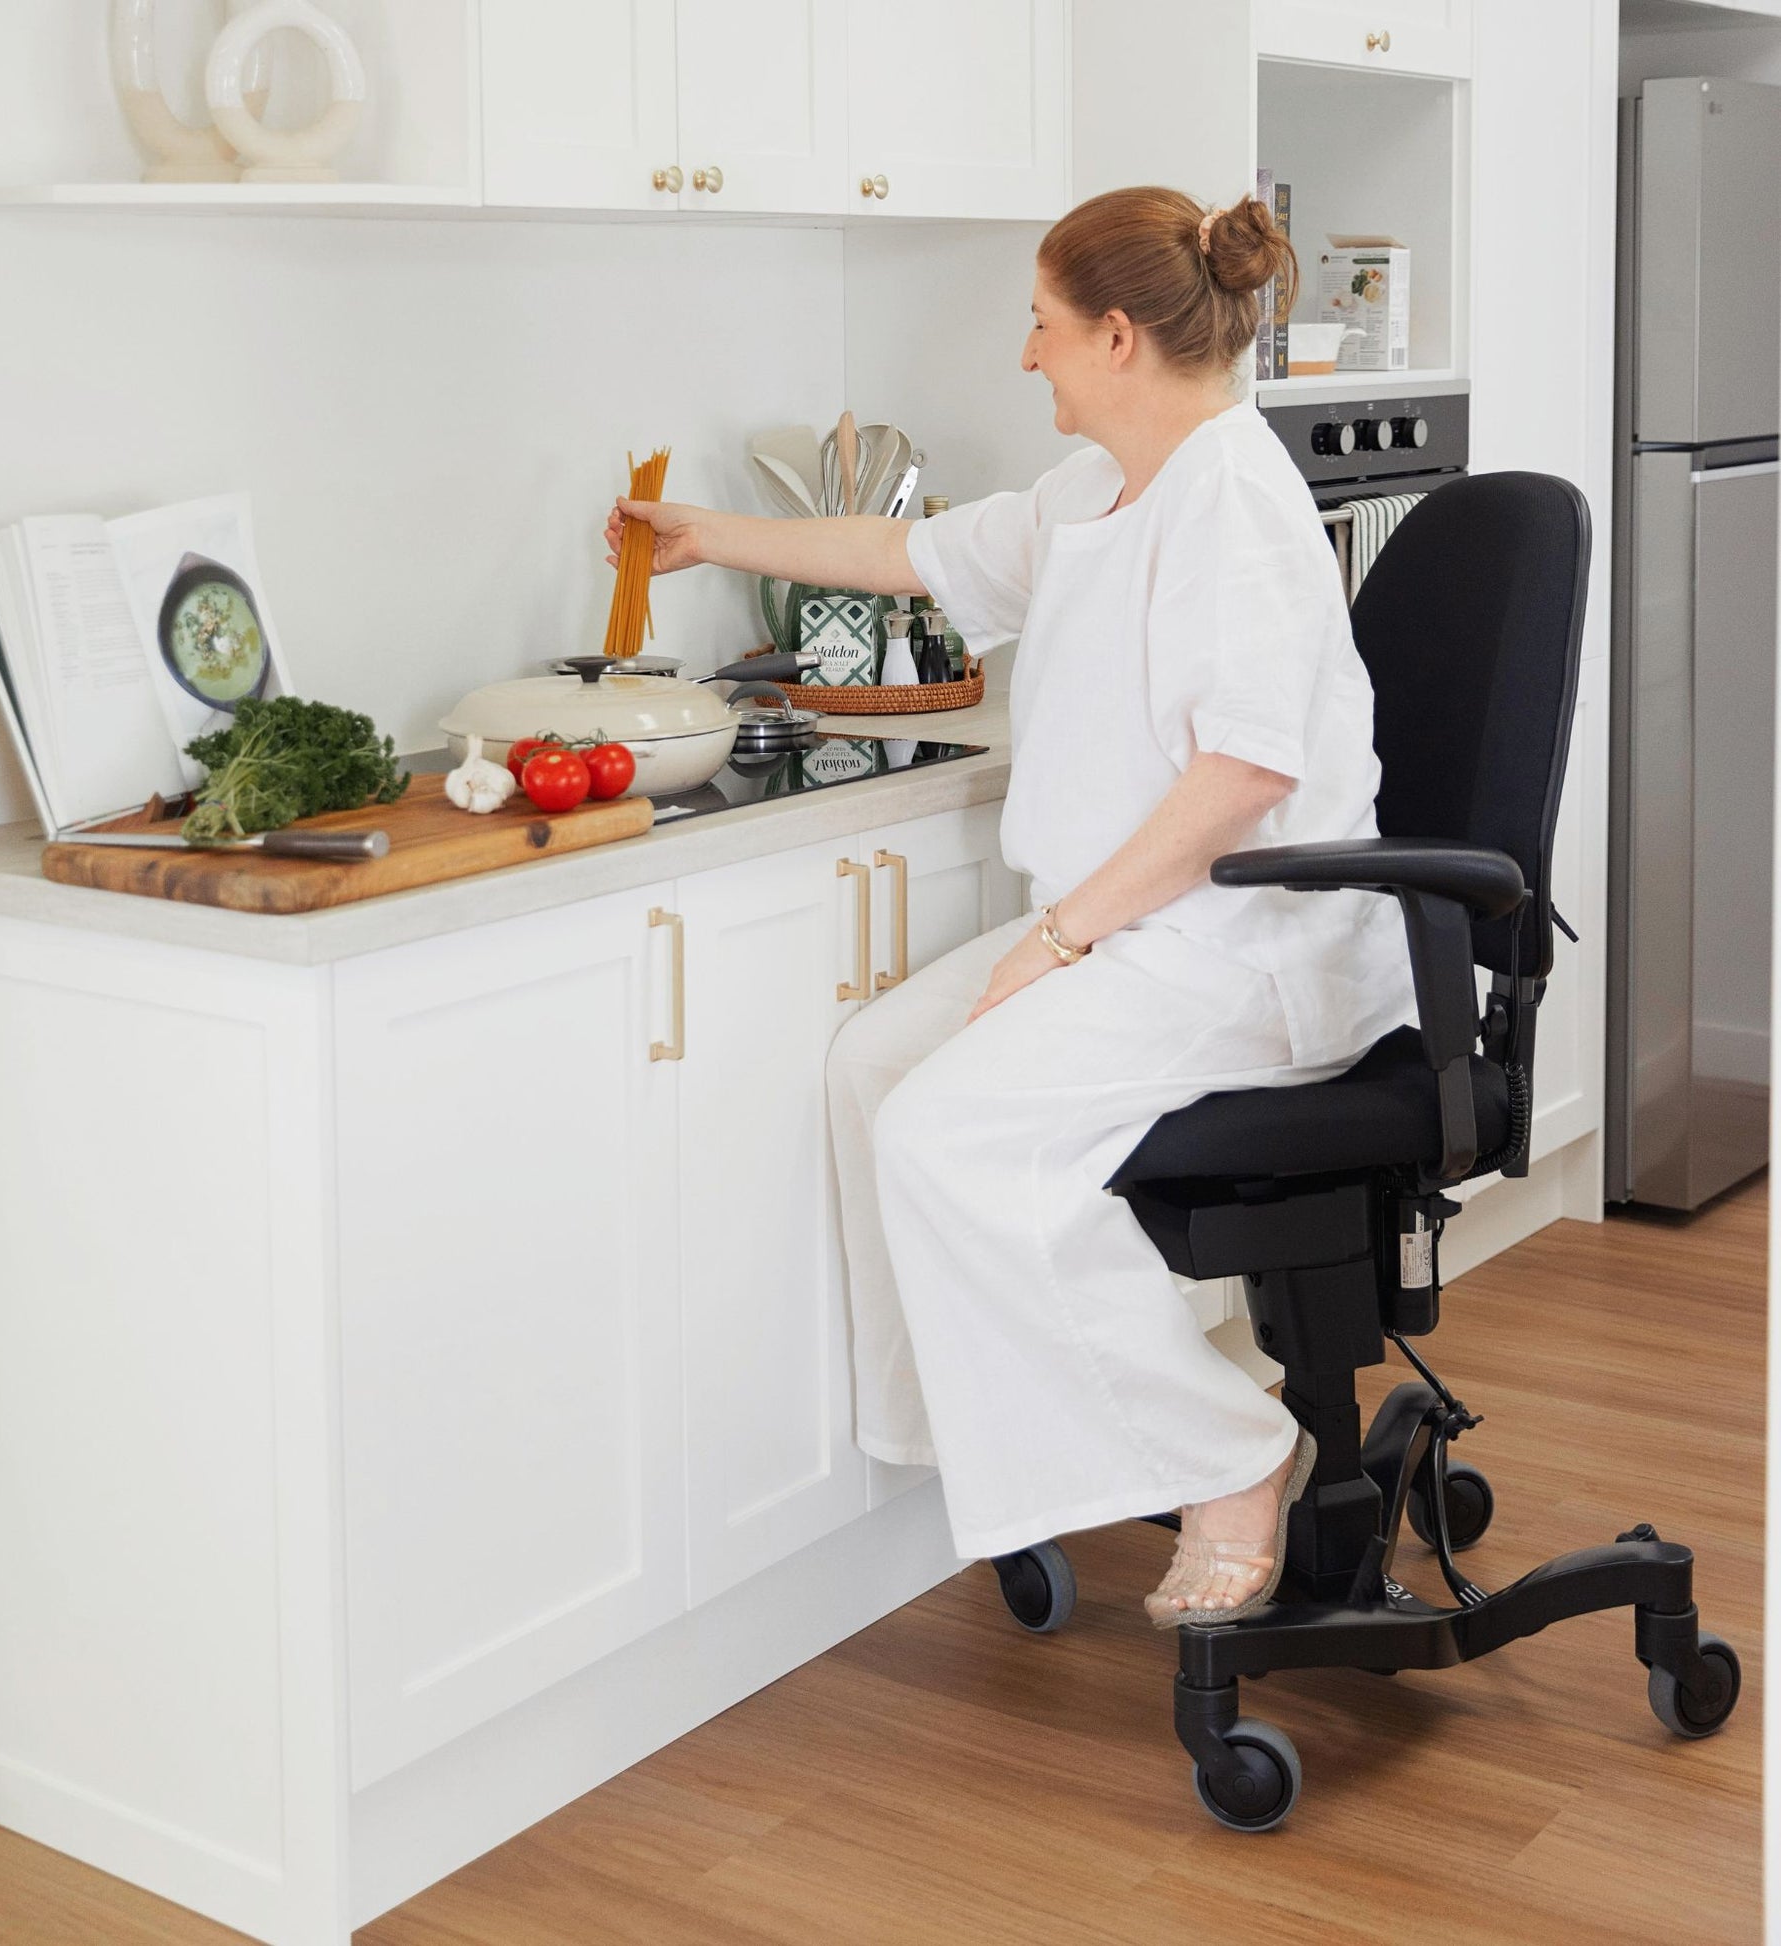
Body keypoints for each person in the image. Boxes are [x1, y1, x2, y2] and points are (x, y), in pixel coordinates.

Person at [603, 186, 1417, 1627]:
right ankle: (982, 1447)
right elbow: (909, 556)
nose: (1022, 353)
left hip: (1247, 942)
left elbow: (1241, 775)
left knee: (943, 1130)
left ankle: (1234, 1451)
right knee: (871, 1067)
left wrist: (1055, 940)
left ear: (1113, 335)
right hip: (1143, 924)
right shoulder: (1097, 489)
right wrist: (706, 537)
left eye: (1039, 325)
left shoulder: (1233, 500)